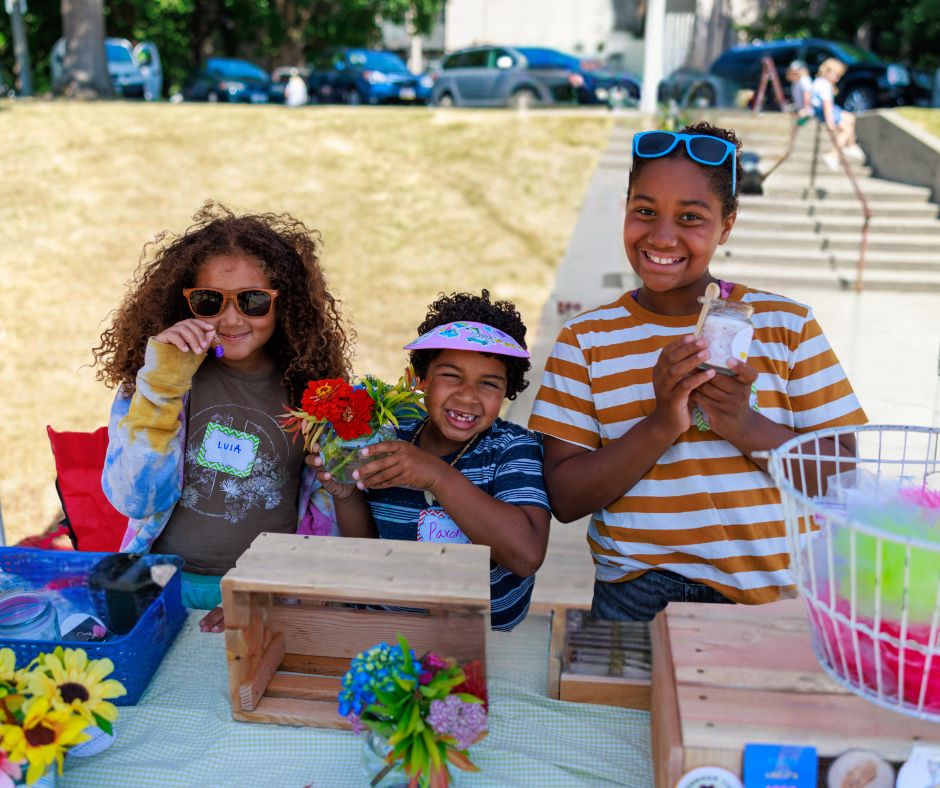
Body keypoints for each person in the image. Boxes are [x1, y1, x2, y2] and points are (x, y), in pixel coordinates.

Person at [528, 122, 867, 622]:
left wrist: (743, 425)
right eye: (644, 211)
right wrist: (663, 422)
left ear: (726, 226)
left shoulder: (786, 325)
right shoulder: (586, 340)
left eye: (691, 217)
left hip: (773, 599)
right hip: (636, 594)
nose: (662, 235)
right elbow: (566, 497)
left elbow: (843, 476)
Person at [94, 202, 351, 632]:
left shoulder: (310, 390)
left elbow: (327, 518)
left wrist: (272, 592)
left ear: (284, 304)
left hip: (268, 589)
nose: (231, 319)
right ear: (185, 301)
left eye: (253, 301)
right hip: (161, 587)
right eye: (209, 301)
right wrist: (160, 386)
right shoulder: (155, 384)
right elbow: (133, 500)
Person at [312, 291, 551, 631]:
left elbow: (526, 555)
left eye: (488, 383)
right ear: (422, 379)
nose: (468, 395)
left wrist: (436, 476)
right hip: (388, 628)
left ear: (506, 391)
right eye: (452, 375)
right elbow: (367, 546)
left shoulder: (512, 449)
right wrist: (347, 494)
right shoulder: (392, 438)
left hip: (482, 638)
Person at [809, 57, 865, 169]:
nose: (838, 79)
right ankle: (833, 155)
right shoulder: (825, 86)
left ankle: (851, 145)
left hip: (828, 110)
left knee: (850, 118)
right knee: (847, 129)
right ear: (829, 72)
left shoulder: (818, 82)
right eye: (837, 75)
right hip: (827, 112)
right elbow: (826, 104)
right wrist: (830, 121)